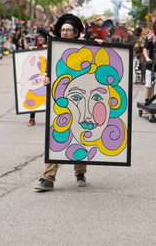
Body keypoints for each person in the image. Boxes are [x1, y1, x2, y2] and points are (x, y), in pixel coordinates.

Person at [35, 13, 103, 192]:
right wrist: (46, 79)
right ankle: (48, 178)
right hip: (60, 99)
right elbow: (50, 71)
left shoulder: (86, 48)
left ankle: (80, 172)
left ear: (76, 32)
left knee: (80, 133)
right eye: (63, 30)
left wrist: (102, 47)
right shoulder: (54, 49)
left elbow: (97, 65)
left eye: (69, 30)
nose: (65, 32)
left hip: (82, 99)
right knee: (56, 133)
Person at [27, 27, 49, 126]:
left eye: (42, 37)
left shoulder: (51, 46)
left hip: (47, 74)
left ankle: (50, 119)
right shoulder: (35, 48)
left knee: (48, 97)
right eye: (38, 37)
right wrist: (31, 50)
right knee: (33, 94)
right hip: (36, 76)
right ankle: (32, 118)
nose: (40, 39)